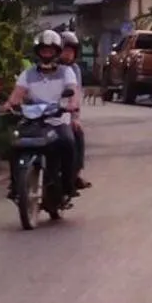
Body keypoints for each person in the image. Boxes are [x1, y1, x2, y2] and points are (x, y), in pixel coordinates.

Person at [4, 29, 80, 196]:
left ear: (56, 52)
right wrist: (8, 104)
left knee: (68, 142)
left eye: (50, 50)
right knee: (15, 144)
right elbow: (17, 94)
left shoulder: (66, 72)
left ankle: (69, 184)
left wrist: (71, 105)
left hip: (57, 120)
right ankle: (15, 184)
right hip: (33, 121)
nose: (47, 53)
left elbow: (72, 91)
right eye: (43, 50)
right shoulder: (28, 74)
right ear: (38, 52)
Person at [58, 30, 90, 190]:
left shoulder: (75, 70)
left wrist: (75, 117)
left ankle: (75, 174)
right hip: (43, 111)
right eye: (64, 50)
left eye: (70, 51)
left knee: (77, 134)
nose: (67, 54)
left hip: (65, 113)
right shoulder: (47, 66)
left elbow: (76, 93)